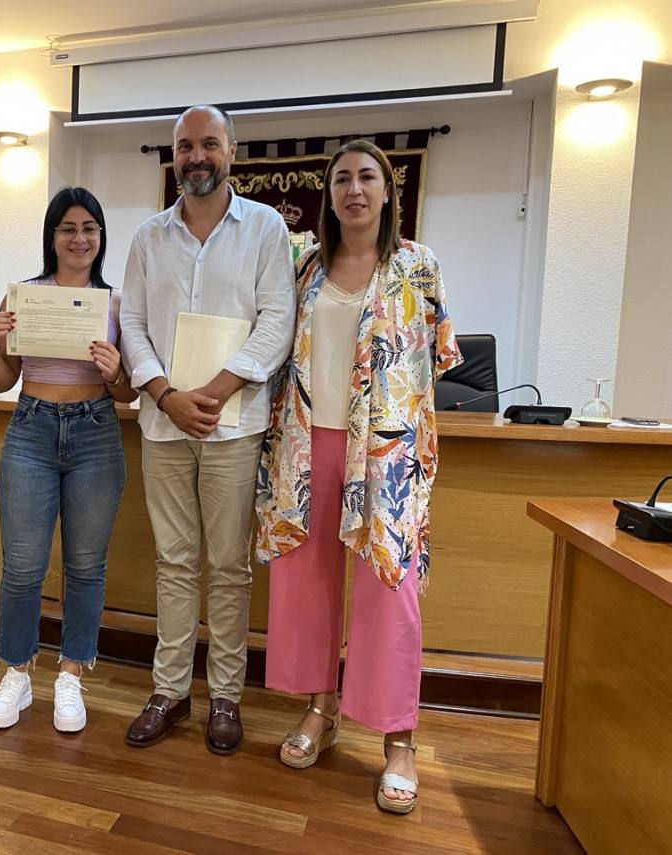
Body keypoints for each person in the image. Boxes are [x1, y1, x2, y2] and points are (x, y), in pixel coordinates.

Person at [255, 139, 463, 814]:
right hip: (306, 441)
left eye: (367, 176)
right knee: (306, 580)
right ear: (329, 194)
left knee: (387, 588)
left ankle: (399, 739)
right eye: (341, 178)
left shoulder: (418, 265)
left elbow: (436, 363)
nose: (354, 188)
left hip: (385, 452)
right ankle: (321, 709)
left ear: (387, 189)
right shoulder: (304, 266)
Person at [120, 105, 295, 755]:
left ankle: (225, 695)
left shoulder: (265, 227)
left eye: (209, 144)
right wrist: (166, 396)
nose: (197, 156)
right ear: (174, 156)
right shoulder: (148, 238)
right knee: (173, 561)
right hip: (163, 425)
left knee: (227, 565)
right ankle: (169, 690)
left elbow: (277, 321)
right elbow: (132, 325)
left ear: (232, 152)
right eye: (185, 146)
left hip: (233, 425)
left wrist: (214, 392)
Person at [0, 187, 136, 732]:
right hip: (31, 428)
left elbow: (127, 395)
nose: (79, 238)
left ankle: (71, 673)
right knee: (22, 566)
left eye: (89, 228)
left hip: (96, 432)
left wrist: (116, 371)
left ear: (101, 237)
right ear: (52, 237)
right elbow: (3, 380)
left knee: (86, 566)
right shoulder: (24, 297)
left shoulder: (116, 303)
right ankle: (17, 671)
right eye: (68, 228)